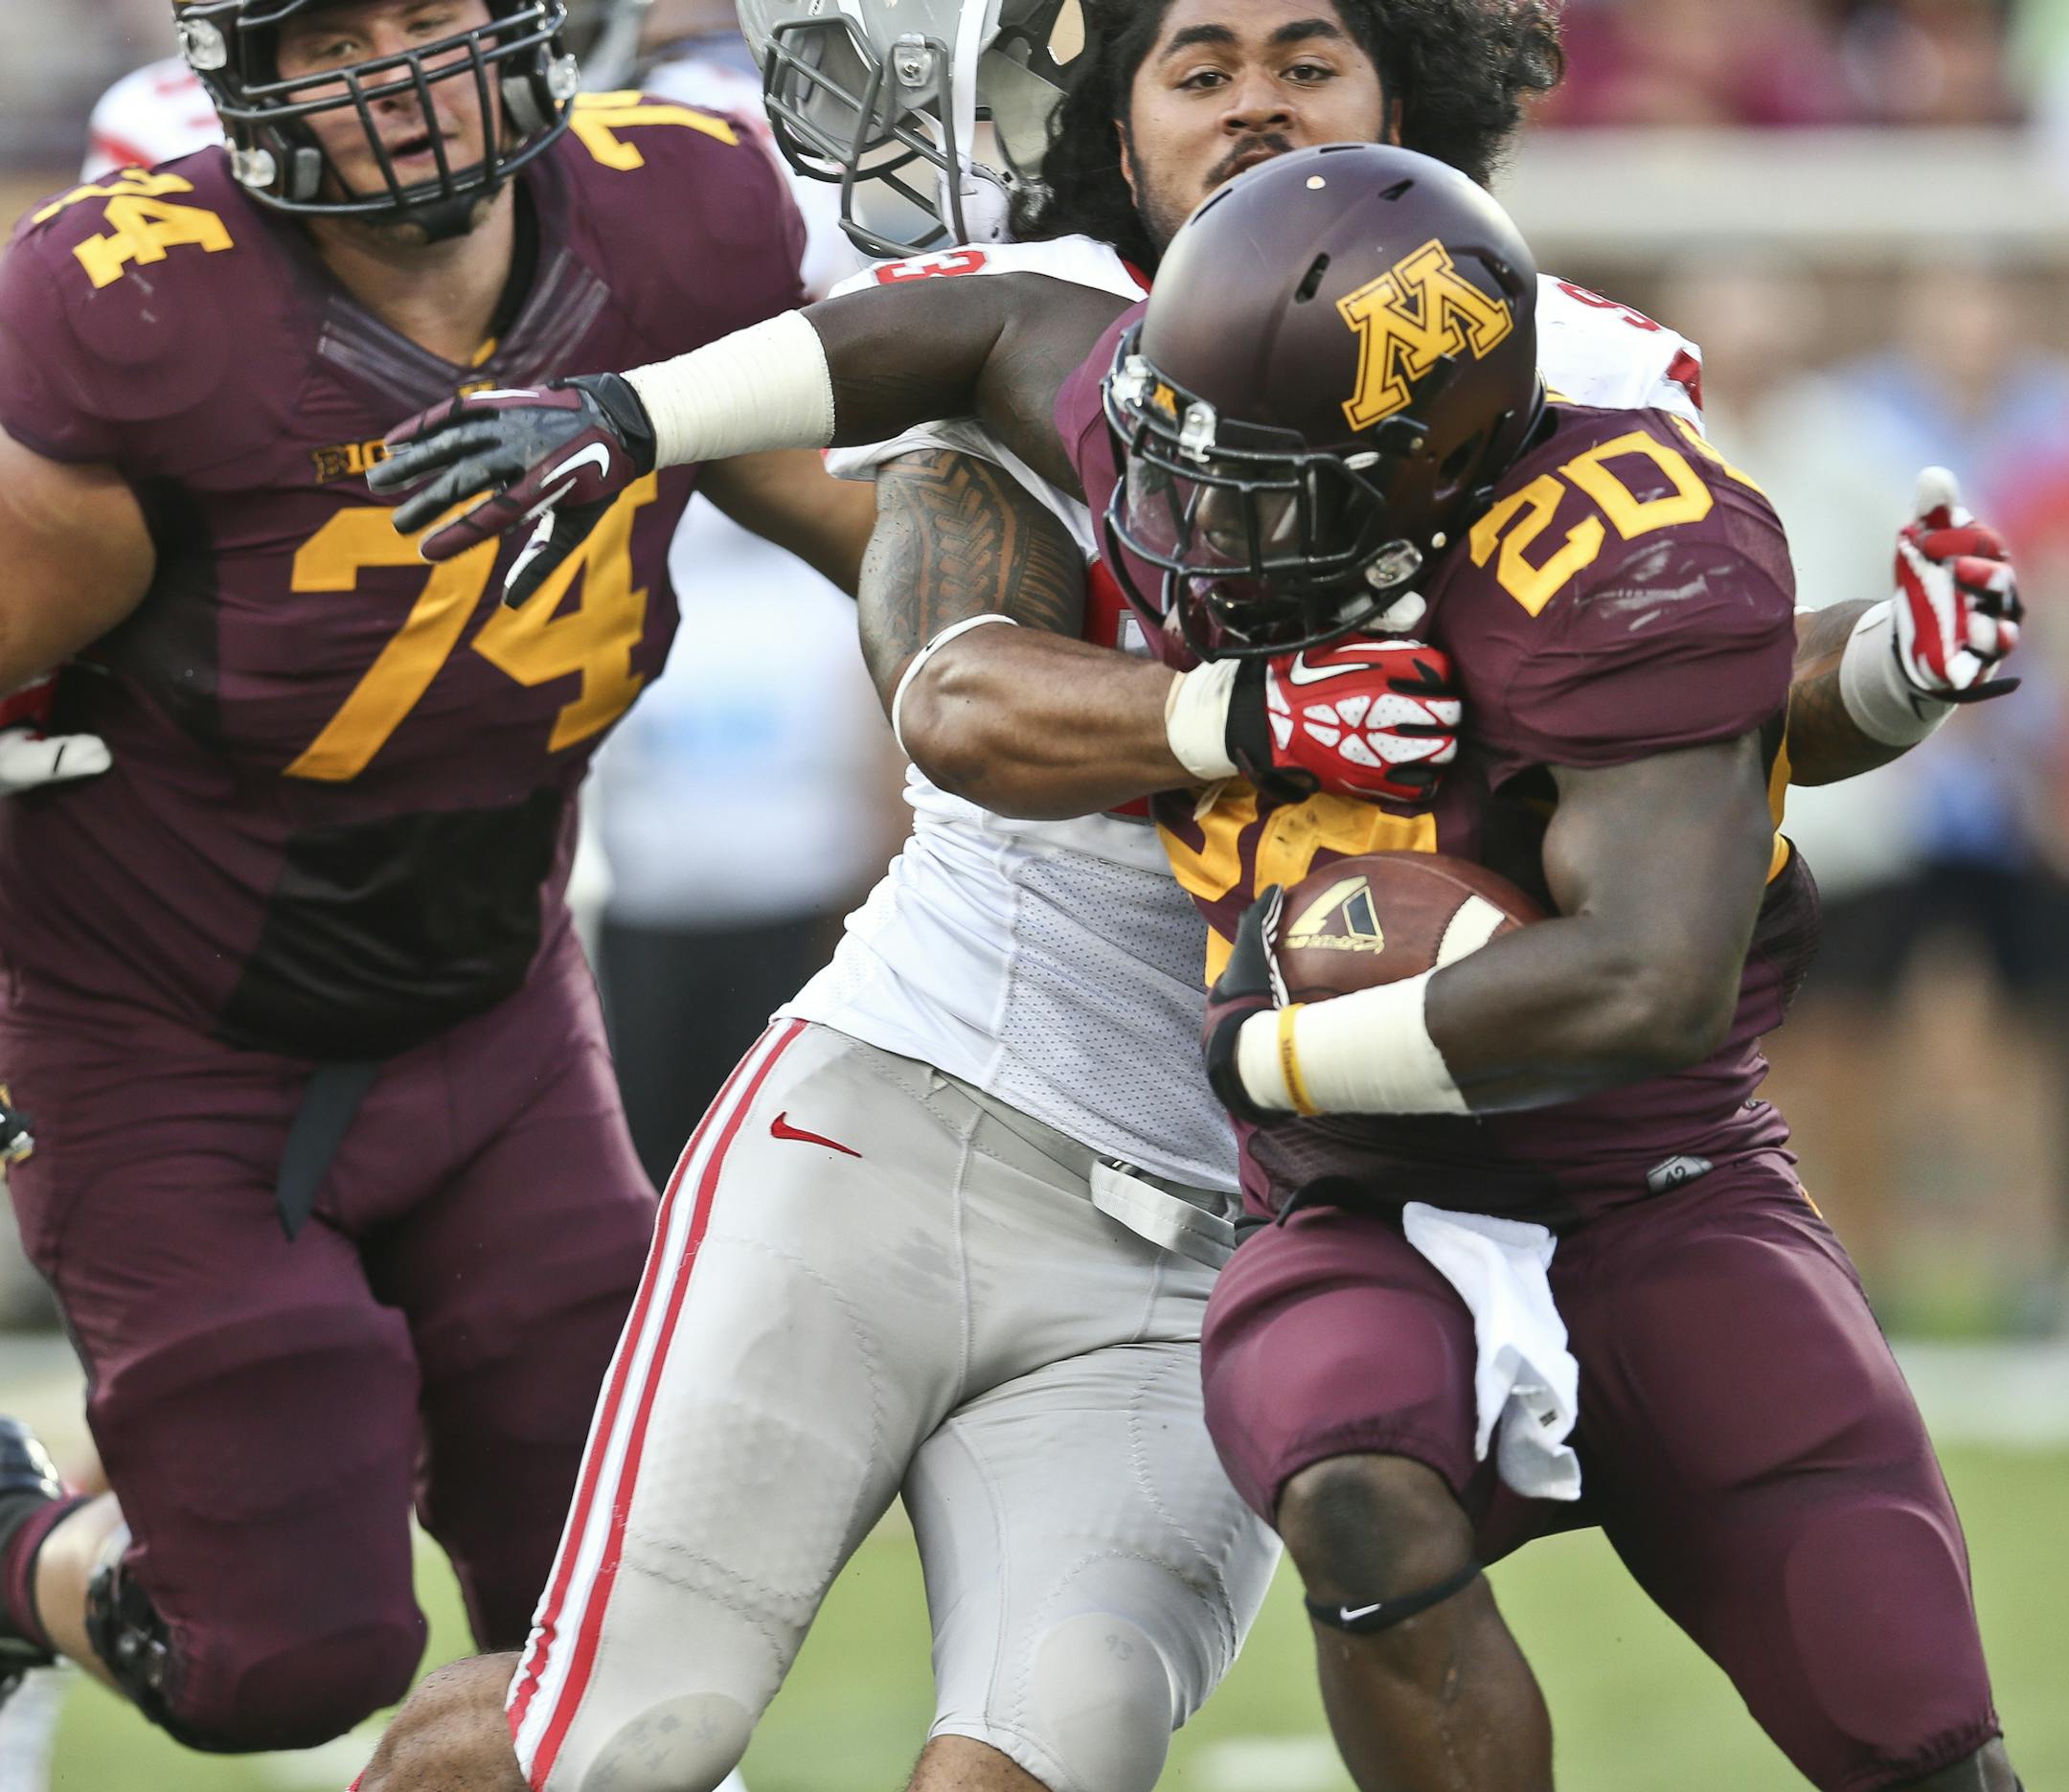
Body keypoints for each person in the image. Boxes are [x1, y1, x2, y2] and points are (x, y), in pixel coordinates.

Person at [355, 4, 2022, 1790]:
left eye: (1306, 64)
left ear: (1406, 95)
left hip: (1231, 1198)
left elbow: (1671, 729)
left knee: (1035, 1763)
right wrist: (1242, 708)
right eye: (1200, 68)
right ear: (1115, 115)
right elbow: (958, 695)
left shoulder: (1568, 386)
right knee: (616, 1739)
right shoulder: (1051, 323)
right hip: (920, 1104)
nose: (1256, 111)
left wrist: (1882, 675)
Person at [0, 0, 870, 1759]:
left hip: (497, 1013)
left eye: (431, 15)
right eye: (332, 33)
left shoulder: (680, 215)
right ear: (236, 74)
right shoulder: (142, 312)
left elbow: (888, 538)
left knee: (646, 1622)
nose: (394, 72)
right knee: (276, 1664)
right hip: (160, 1041)